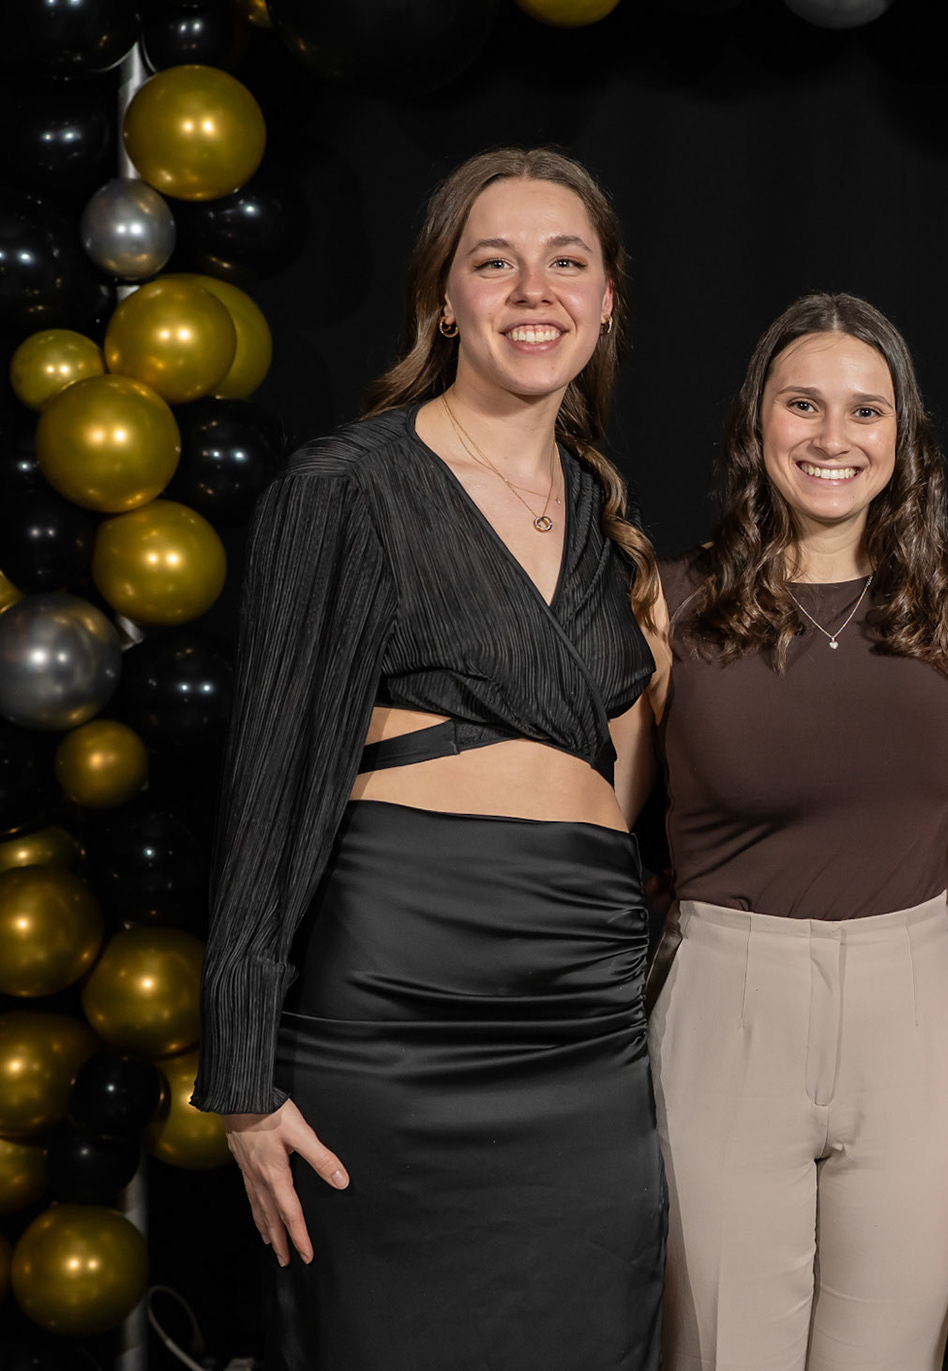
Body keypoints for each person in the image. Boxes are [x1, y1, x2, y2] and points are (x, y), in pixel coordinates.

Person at [193, 148, 668, 1370]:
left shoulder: (608, 524)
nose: (534, 291)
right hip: (399, 1016)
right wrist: (242, 1079)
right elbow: (267, 789)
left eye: (567, 262)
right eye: (494, 262)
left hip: (585, 1030)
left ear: (607, 299)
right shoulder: (348, 487)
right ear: (444, 301)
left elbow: (633, 792)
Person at [647, 292, 948, 1371]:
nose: (834, 436)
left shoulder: (941, 599)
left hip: (916, 1002)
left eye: (865, 410)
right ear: (757, 422)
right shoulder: (669, 601)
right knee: (726, 1349)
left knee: (891, 1351)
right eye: (803, 404)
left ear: (903, 435)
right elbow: (606, 824)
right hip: (731, 1000)